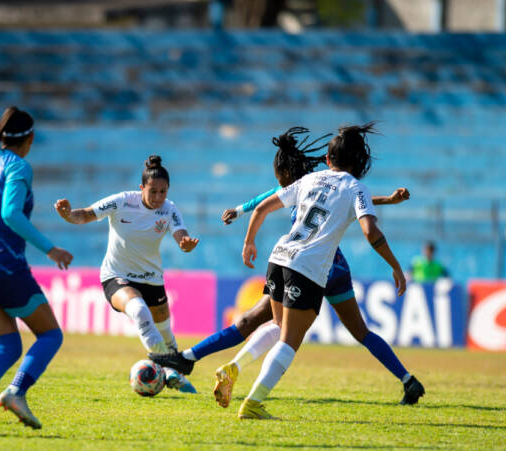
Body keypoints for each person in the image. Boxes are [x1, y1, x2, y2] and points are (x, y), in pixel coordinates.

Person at [152, 124, 422, 418]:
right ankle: (247, 396)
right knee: (324, 335)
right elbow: (361, 215)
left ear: (327, 160)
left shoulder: (307, 182)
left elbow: (262, 205)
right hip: (319, 266)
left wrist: (248, 239)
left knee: (265, 324)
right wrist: (395, 264)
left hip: (286, 258)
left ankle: (212, 363)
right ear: (357, 162)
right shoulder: (350, 187)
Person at [0, 106, 74, 435]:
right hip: (1, 264)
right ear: (30, 138)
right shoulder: (18, 166)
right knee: (50, 335)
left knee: (7, 344)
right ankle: (17, 392)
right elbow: (10, 213)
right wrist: (51, 248)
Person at [54, 155, 200, 393]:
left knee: (165, 331)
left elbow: (180, 233)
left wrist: (185, 244)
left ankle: (174, 371)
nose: (158, 198)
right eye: (153, 191)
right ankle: (168, 367)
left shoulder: (169, 209)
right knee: (139, 310)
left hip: (152, 278)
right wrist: (68, 214)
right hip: (117, 275)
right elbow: (87, 214)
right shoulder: (122, 201)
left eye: (163, 192)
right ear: (141, 188)